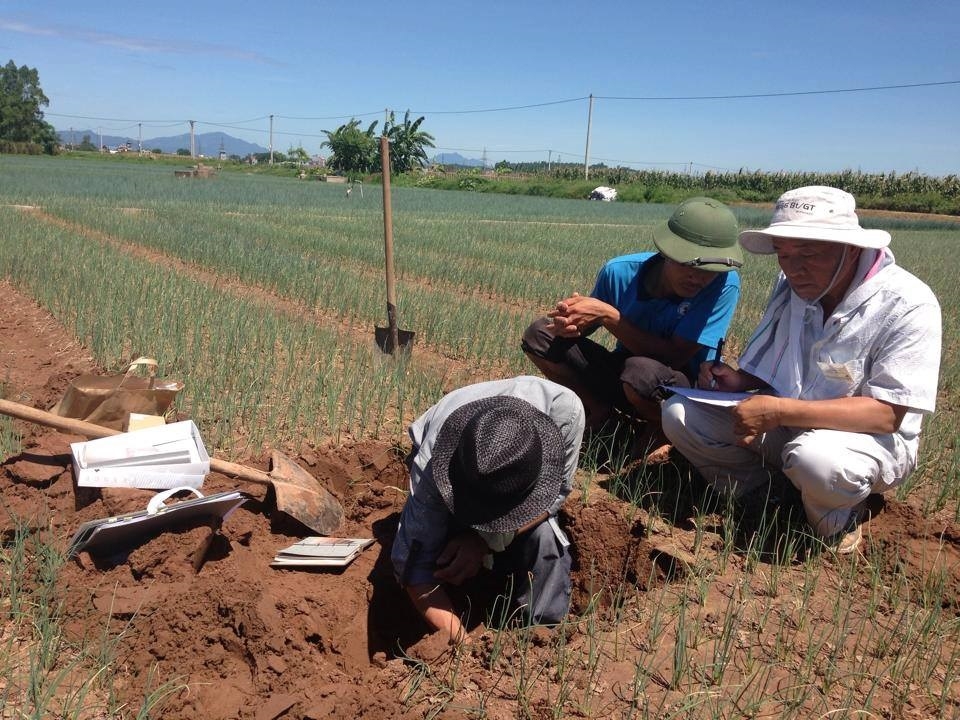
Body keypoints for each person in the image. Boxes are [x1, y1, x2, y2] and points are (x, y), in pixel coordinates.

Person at [662, 186, 942, 553]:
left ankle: (837, 523)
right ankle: (766, 495)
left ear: (851, 248)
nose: (794, 269)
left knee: (818, 462)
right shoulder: (792, 286)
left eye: (809, 253)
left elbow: (887, 415)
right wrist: (738, 380)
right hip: (790, 423)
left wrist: (778, 411)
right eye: (784, 254)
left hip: (864, 441)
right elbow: (777, 362)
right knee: (680, 414)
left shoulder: (907, 303)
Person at [521, 196, 742, 462]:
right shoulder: (618, 272)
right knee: (539, 335)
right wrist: (568, 324)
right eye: (687, 265)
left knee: (641, 370)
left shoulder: (724, 285)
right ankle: (600, 411)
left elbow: (674, 357)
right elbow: (584, 328)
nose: (698, 278)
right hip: (625, 373)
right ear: (666, 253)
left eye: (710, 270)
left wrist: (609, 316)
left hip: (680, 386)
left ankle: (661, 426)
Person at [391, 376, 585, 644]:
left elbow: (557, 494)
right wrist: (462, 644)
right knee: (438, 545)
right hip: (450, 460)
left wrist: (485, 541)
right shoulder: (435, 463)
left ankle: (542, 639)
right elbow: (413, 568)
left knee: (545, 540)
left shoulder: (565, 413)